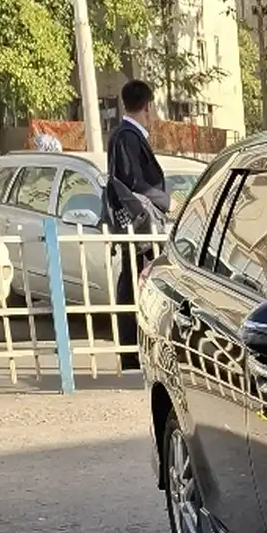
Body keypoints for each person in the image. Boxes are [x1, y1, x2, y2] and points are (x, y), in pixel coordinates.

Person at [103, 79, 169, 362]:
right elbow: (136, 184)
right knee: (136, 280)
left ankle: (133, 347)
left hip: (133, 221)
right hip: (139, 222)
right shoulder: (129, 137)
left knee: (135, 279)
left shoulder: (121, 135)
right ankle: (131, 349)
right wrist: (167, 202)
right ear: (148, 106)